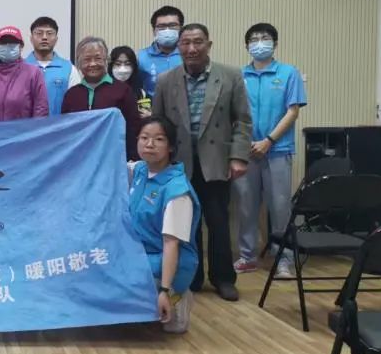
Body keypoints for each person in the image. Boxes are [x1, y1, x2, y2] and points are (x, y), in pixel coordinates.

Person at [152, 23, 252, 302]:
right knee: (185, 223)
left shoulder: (230, 75)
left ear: (209, 44)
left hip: (216, 160)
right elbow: (159, 124)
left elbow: (243, 120)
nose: (191, 48)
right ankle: (191, 277)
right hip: (179, 163)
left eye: (197, 42)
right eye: (186, 43)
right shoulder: (166, 80)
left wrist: (238, 156)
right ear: (179, 47)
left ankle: (223, 278)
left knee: (218, 221)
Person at [233, 23, 307, 278]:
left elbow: (293, 111)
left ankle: (283, 259)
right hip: (246, 151)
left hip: (277, 149)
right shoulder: (238, 75)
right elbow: (233, 112)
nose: (259, 43)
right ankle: (247, 256)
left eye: (264, 38)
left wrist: (269, 140)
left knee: (280, 207)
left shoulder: (288, 73)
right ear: (246, 46)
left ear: (275, 44)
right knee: (246, 206)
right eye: (253, 39)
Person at [129, 116, 200, 333]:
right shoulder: (140, 170)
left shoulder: (177, 191)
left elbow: (171, 244)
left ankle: (176, 296)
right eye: (144, 138)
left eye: (159, 139)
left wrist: (164, 290)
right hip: (141, 254)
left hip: (167, 261)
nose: (149, 144)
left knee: (171, 327)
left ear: (170, 147)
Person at [61, 37, 140, 160]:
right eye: (87, 59)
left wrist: (131, 160)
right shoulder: (71, 95)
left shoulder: (123, 91)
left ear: (106, 60)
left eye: (98, 58)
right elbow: (66, 132)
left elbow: (133, 128)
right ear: (78, 63)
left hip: (114, 159)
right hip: (79, 160)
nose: (93, 64)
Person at [0, 26, 48, 121]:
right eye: (3, 43)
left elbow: (41, 109)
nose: (7, 46)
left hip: (25, 130)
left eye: (12, 43)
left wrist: (35, 130)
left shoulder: (33, 73)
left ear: (21, 47)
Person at [24, 16, 81, 116]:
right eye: (39, 33)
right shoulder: (21, 68)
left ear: (56, 39)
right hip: (27, 125)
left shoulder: (69, 69)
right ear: (31, 38)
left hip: (60, 125)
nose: (44, 37)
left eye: (49, 33)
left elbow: (76, 103)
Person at [137, 6, 184, 98]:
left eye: (172, 25)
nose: (167, 30)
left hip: (184, 105)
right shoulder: (141, 57)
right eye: (161, 26)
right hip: (152, 105)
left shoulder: (189, 55)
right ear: (154, 31)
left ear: (181, 29)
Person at [109, 45, 151, 117]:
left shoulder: (141, 93)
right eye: (118, 64)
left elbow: (147, 113)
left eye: (127, 64)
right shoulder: (103, 89)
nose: (122, 69)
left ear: (134, 67)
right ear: (111, 66)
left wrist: (149, 115)